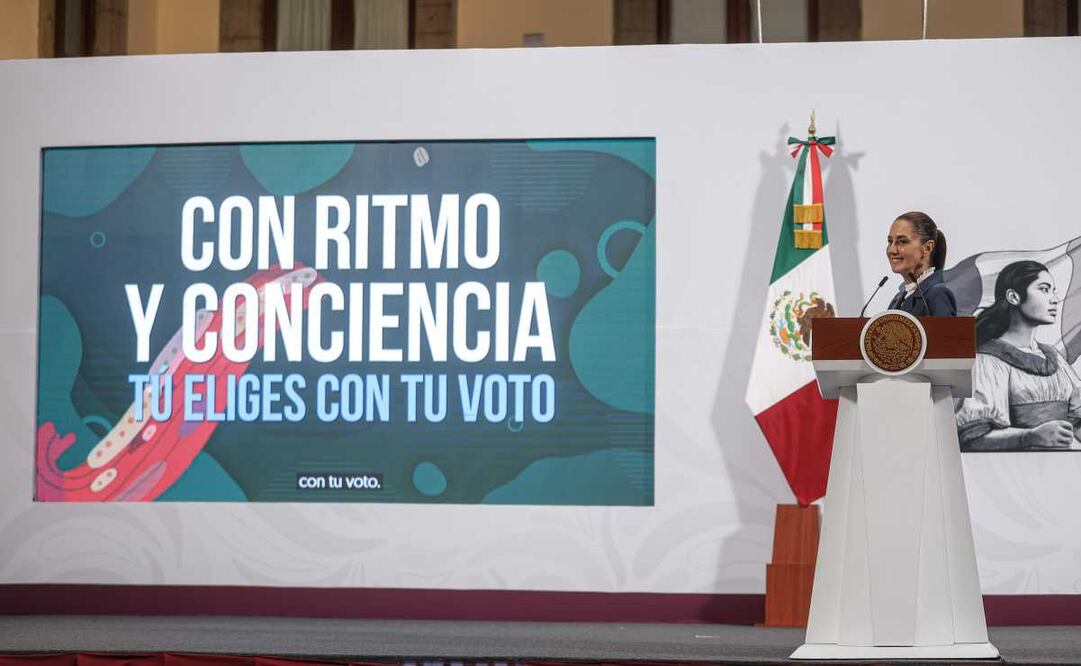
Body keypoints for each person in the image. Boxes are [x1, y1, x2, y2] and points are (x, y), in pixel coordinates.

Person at [955, 260, 1081, 451]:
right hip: (1016, 466)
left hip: (1063, 464)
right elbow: (973, 437)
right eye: (1044, 289)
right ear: (1013, 297)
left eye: (1053, 291)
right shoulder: (988, 360)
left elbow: (1077, 422)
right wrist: (1030, 436)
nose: (1055, 299)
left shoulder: (1054, 357)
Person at [885, 211, 957, 316]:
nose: (892, 250)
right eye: (890, 241)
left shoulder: (937, 294)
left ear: (927, 248)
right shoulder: (897, 300)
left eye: (902, 242)